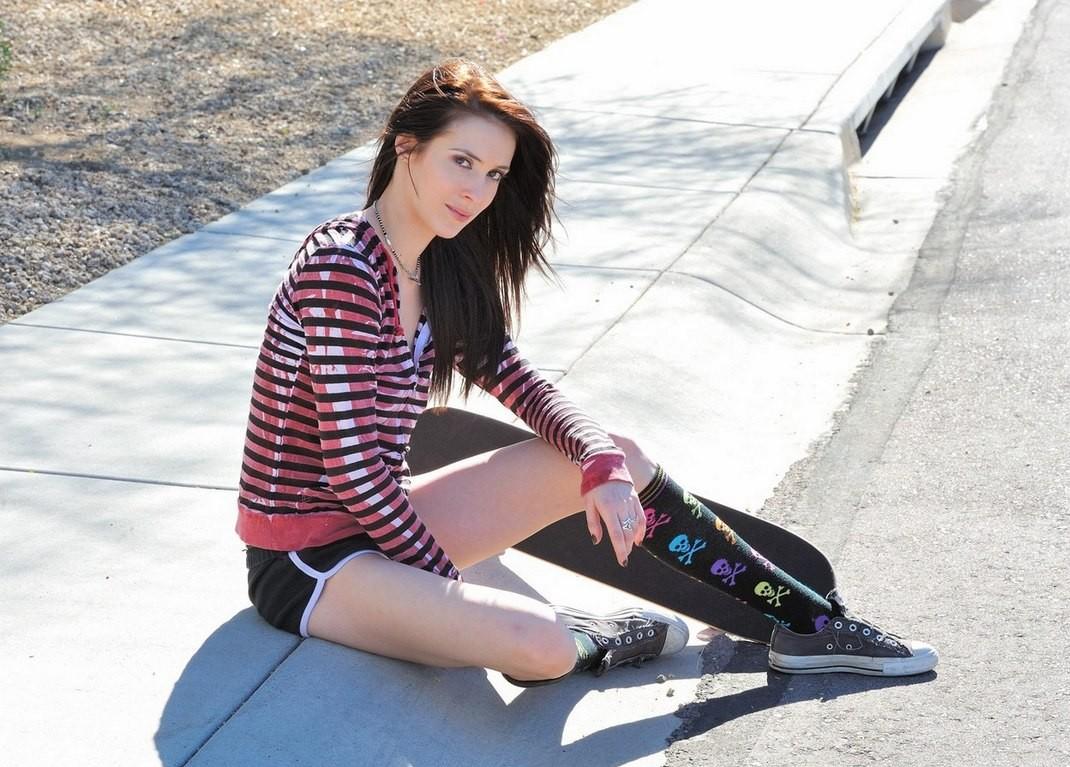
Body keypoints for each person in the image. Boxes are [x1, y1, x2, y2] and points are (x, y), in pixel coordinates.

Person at [237, 59, 938, 685]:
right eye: (462, 161)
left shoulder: (435, 266)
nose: (476, 190)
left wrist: (599, 458)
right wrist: (452, 589)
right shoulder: (343, 267)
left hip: (385, 521)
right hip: (309, 558)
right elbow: (354, 470)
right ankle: (595, 636)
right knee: (537, 647)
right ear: (406, 145)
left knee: (618, 456)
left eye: (493, 175)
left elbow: (519, 382)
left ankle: (811, 623)